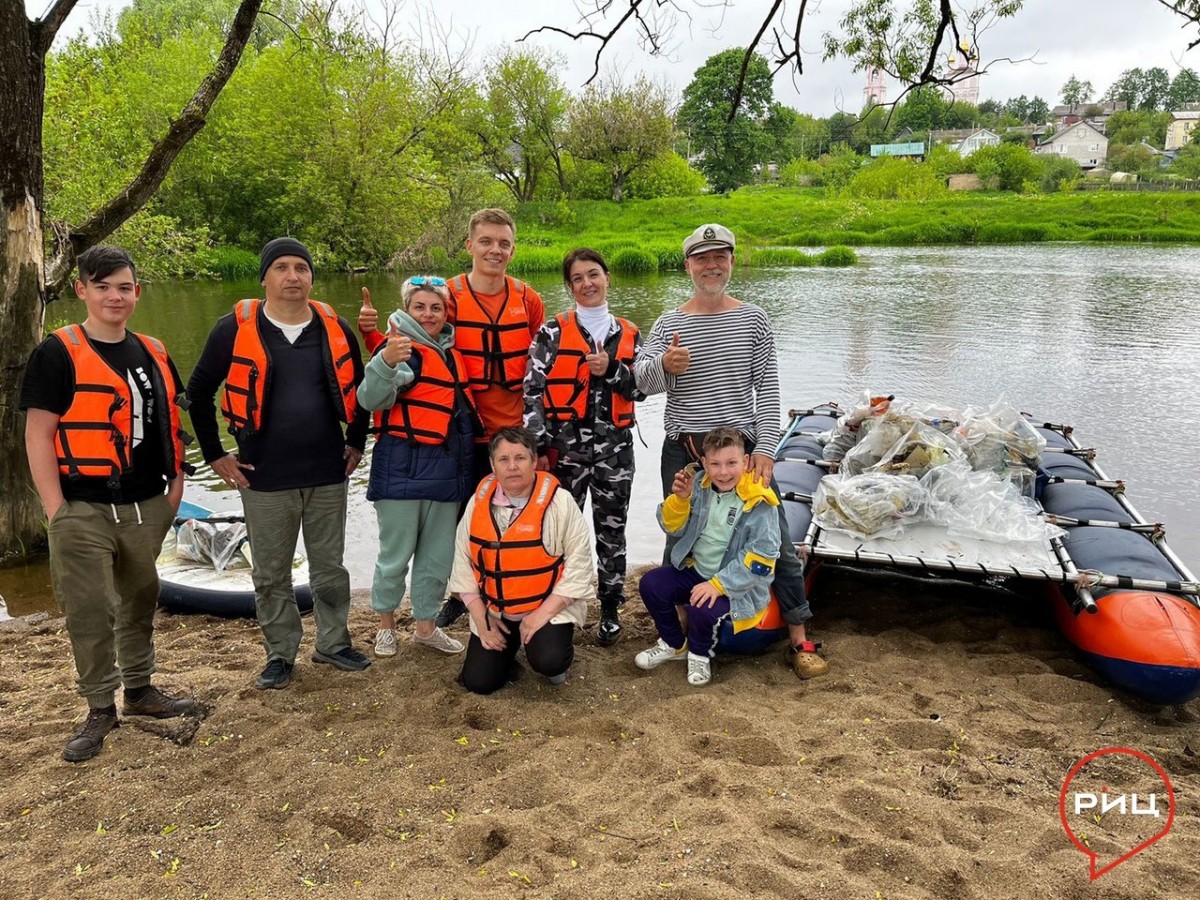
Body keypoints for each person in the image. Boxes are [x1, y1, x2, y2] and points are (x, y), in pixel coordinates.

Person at [21, 246, 197, 762]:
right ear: (82, 290)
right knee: (90, 609)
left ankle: (140, 691)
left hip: (147, 503)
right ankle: (100, 706)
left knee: (141, 597)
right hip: (81, 505)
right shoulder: (57, 353)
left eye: (123, 287)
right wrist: (55, 507)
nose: (114, 296)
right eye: (102, 287)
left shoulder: (154, 351)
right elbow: (38, 435)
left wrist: (177, 486)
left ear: (137, 292)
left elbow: (171, 424)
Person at [634, 223, 829, 680]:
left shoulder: (754, 318)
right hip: (684, 449)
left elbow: (769, 387)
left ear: (732, 262)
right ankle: (679, 633)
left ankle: (800, 637)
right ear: (688, 266)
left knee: (777, 539)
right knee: (678, 540)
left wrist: (765, 448)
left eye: (719, 256)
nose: (711, 265)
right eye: (702, 258)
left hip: (741, 454)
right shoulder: (668, 323)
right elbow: (639, 383)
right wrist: (664, 365)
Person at [187, 237, 369, 689]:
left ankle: (333, 644)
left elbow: (363, 390)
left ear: (311, 277)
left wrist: (357, 443)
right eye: (282, 268)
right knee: (270, 574)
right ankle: (280, 654)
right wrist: (214, 453)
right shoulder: (233, 328)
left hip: (328, 470)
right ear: (265, 277)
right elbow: (198, 392)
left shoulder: (335, 327)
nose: (293, 277)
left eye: (301, 268)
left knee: (330, 568)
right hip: (263, 475)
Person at [360, 208, 544, 628]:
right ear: (470, 246)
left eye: (503, 243)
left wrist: (540, 437)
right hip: (464, 435)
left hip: (514, 432)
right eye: (486, 241)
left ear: (512, 250)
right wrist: (372, 334)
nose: (494, 250)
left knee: (515, 517)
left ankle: (517, 592)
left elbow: (541, 362)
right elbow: (412, 337)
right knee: (462, 525)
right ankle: (463, 597)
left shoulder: (527, 298)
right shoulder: (451, 296)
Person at [523, 248, 643, 646]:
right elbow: (533, 393)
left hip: (615, 454)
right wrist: (539, 448)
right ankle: (560, 606)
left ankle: (610, 605)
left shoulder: (629, 332)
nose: (587, 283)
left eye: (594, 274)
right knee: (559, 532)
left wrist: (612, 370)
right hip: (564, 453)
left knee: (612, 532)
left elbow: (641, 388)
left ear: (608, 278)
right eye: (578, 278)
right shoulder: (552, 332)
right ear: (570, 286)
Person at [357, 277, 476, 658]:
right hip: (401, 468)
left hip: (444, 470)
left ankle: (425, 627)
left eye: (436, 308)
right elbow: (369, 398)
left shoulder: (449, 353)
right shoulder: (401, 352)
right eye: (419, 307)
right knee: (394, 556)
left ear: (445, 314)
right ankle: (386, 627)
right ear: (406, 310)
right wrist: (385, 361)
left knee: (436, 558)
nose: (428, 314)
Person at [448, 427, 594, 695]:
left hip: (547, 606)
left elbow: (580, 565)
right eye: (503, 459)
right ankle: (508, 653)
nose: (512, 467)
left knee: (549, 660)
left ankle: (551, 654)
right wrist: (482, 620)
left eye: (520, 458)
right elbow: (462, 562)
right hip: (496, 610)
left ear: (535, 461)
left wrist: (541, 614)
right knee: (479, 683)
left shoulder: (560, 502)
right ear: (492, 464)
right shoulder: (478, 502)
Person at [636, 429, 781, 687]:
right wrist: (680, 500)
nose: (723, 472)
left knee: (701, 607)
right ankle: (674, 645)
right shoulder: (699, 485)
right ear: (704, 463)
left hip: (735, 584)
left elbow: (762, 558)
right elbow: (671, 528)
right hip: (697, 570)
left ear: (746, 462)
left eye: (731, 463)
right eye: (715, 464)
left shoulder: (759, 501)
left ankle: (699, 655)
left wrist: (718, 585)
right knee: (651, 584)